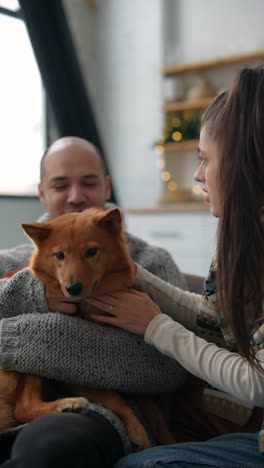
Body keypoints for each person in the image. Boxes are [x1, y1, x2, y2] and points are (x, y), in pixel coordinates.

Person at [85, 66, 264, 467]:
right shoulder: (243, 241)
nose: (198, 175)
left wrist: (154, 327)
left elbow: (257, 381)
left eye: (205, 160)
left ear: (242, 163)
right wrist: (136, 277)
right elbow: (213, 318)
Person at [0, 137, 188, 467]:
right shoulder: (10, 262)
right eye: (60, 185)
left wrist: (34, 339)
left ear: (106, 187)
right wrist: (31, 294)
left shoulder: (151, 264)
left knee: (47, 449)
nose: (75, 196)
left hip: (98, 418)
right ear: (43, 192)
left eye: (88, 182)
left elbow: (169, 367)